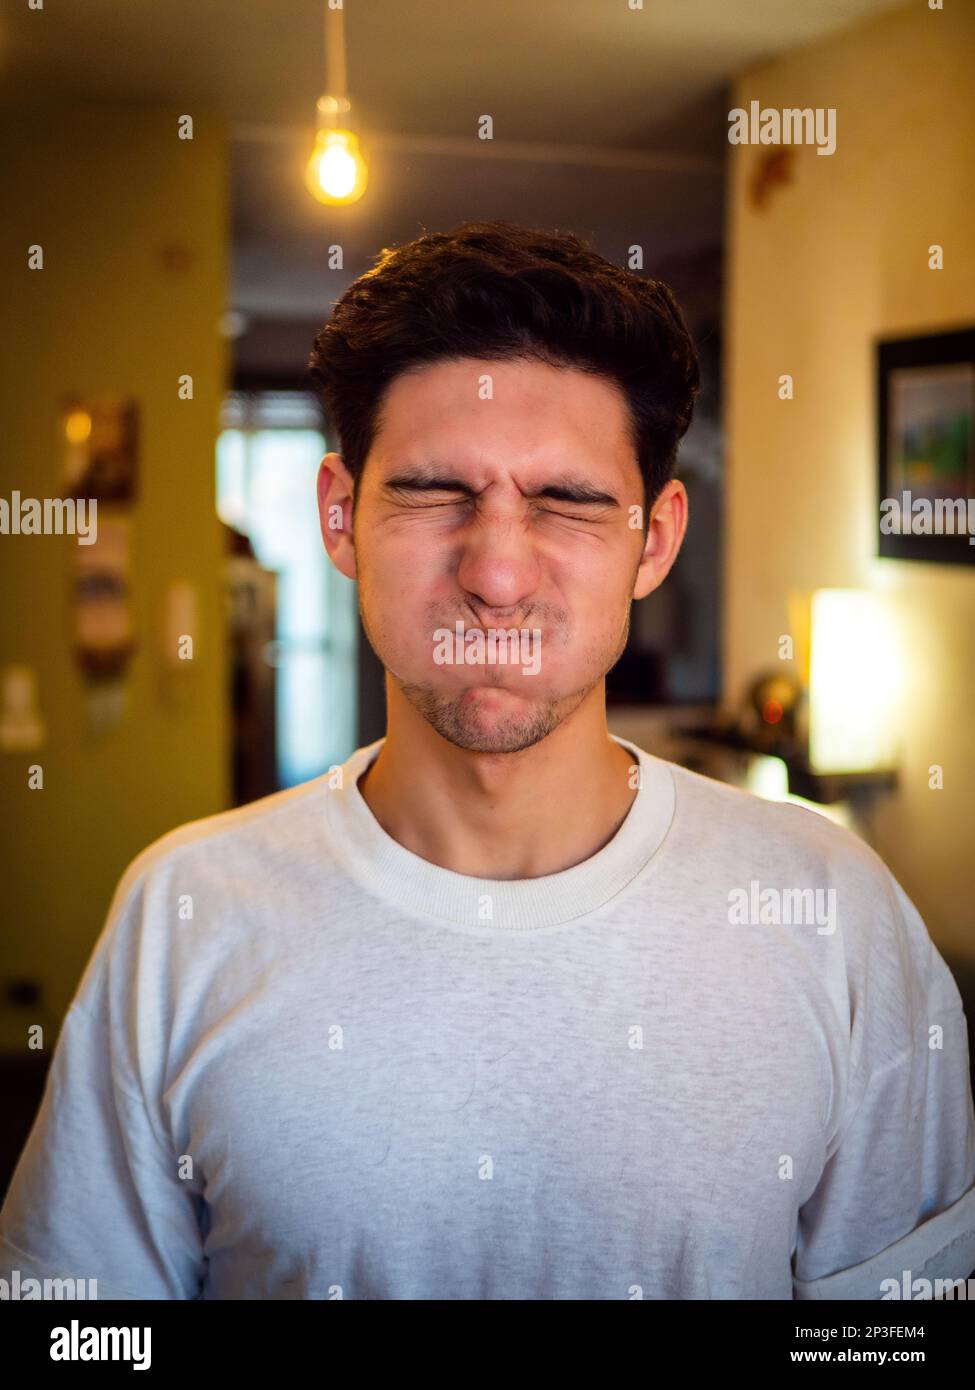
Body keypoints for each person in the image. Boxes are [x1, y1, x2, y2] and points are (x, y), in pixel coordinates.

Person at [2, 221, 973, 1300]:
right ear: (341, 517)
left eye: (567, 501)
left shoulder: (832, 915)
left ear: (653, 540)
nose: (499, 573)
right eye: (431, 493)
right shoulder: (183, 914)